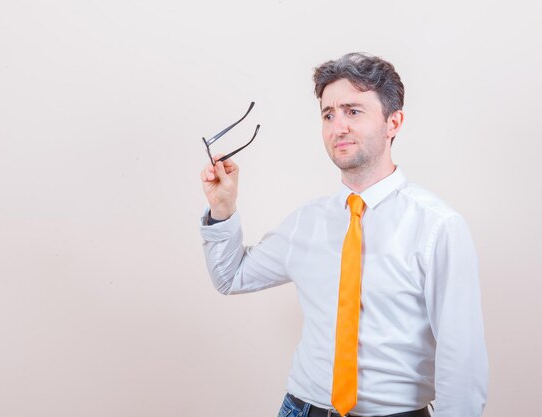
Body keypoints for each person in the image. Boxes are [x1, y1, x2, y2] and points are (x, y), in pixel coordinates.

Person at [200, 52, 488, 417]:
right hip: (303, 408)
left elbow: (462, 358)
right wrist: (222, 209)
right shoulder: (308, 221)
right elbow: (231, 276)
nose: (338, 127)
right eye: (328, 114)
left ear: (393, 122)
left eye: (353, 111)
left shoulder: (437, 226)